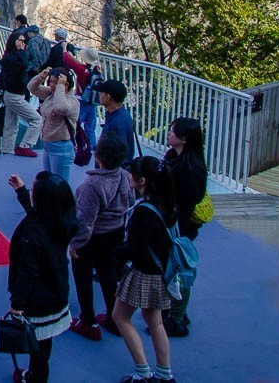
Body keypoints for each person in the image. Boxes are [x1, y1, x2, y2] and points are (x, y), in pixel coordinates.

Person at [6, 171, 79, 383]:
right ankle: (33, 374)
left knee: (36, 349)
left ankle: (35, 378)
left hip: (36, 299)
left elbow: (27, 272)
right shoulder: (62, 222)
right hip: (56, 290)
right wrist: (21, 192)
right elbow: (36, 214)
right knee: (45, 340)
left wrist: (16, 304)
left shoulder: (32, 232)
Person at [112, 157, 177, 383]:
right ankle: (165, 374)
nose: (129, 177)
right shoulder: (167, 205)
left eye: (133, 174)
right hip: (160, 272)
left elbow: (135, 248)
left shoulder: (144, 212)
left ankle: (142, 372)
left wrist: (112, 253)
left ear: (142, 181)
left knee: (120, 317)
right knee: (155, 322)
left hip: (143, 273)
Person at [69, 133, 133, 342]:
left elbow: (85, 221)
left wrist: (75, 245)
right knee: (108, 275)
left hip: (93, 237)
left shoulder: (92, 186)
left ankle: (88, 321)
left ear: (100, 158)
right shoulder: (124, 176)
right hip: (115, 233)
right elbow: (131, 200)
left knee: (83, 276)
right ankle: (115, 318)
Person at [163, 118, 208, 338]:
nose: (169, 134)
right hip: (176, 223)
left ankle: (177, 317)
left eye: (174, 132)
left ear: (184, 139)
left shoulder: (189, 169)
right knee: (173, 268)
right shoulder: (178, 159)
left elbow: (186, 201)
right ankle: (176, 311)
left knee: (178, 269)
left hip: (180, 226)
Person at [29, 66, 80, 183]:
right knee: (49, 182)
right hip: (48, 146)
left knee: (59, 184)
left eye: (56, 83)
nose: (52, 85)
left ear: (66, 85)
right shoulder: (50, 94)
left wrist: (60, 87)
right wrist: (41, 76)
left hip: (60, 147)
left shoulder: (72, 101)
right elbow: (32, 88)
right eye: (51, 81)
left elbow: (60, 108)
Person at [2, 33, 43, 157]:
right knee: (36, 119)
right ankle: (25, 145)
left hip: (14, 94)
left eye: (24, 42)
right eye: (20, 41)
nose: (23, 44)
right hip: (14, 95)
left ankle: (7, 150)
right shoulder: (10, 58)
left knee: (11, 125)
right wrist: (20, 50)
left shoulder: (14, 56)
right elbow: (24, 65)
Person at [98, 79, 136, 163]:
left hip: (111, 174)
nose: (99, 95)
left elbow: (118, 156)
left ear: (108, 97)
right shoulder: (121, 115)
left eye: (101, 93)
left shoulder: (117, 123)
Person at [77, 48, 104, 147]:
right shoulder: (97, 69)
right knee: (90, 127)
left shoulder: (83, 70)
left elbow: (69, 60)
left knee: (76, 123)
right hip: (93, 100)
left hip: (83, 99)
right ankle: (92, 146)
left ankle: (78, 145)